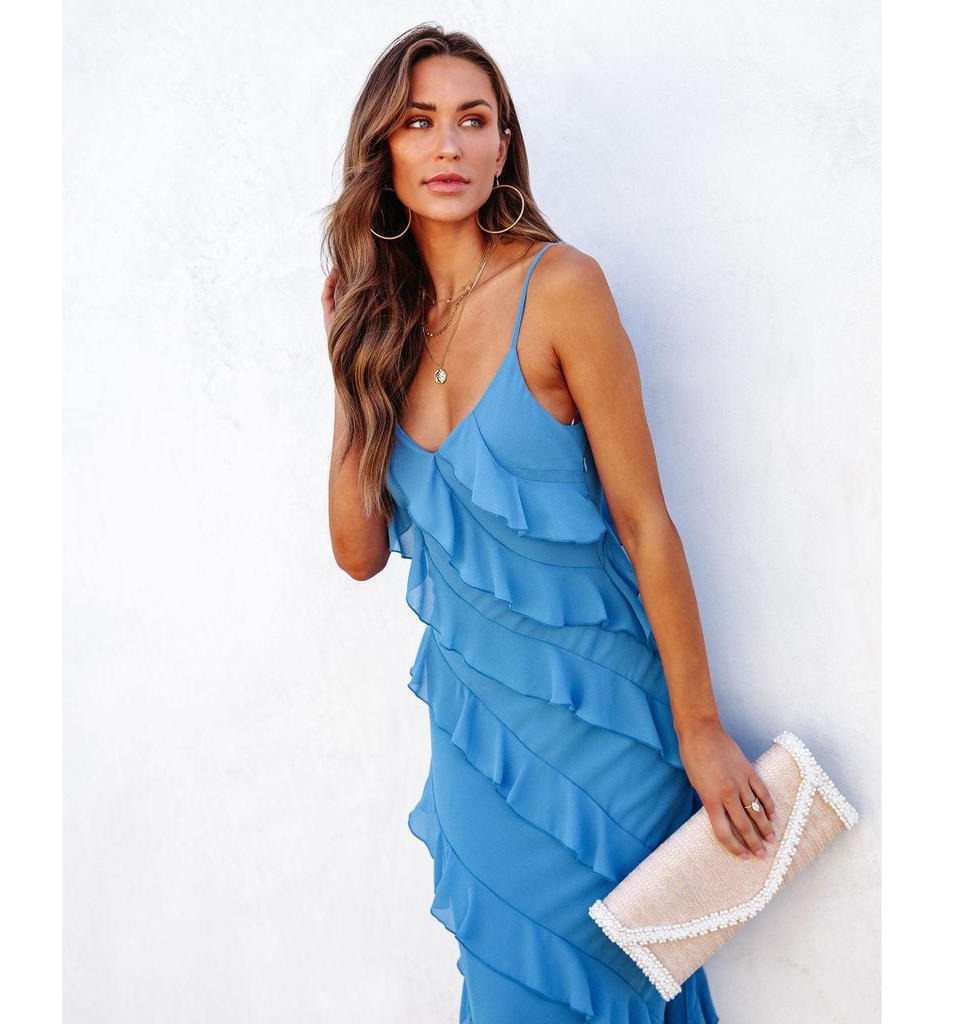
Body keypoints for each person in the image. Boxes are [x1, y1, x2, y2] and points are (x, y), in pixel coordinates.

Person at [322, 23, 775, 1024]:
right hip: (476, 741)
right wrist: (347, 365)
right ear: (383, 151)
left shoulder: (561, 287)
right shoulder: (380, 327)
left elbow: (645, 522)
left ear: (503, 146)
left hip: (605, 729)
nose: (447, 145)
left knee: (621, 985)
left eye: (472, 120)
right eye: (419, 122)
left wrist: (701, 732)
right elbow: (357, 553)